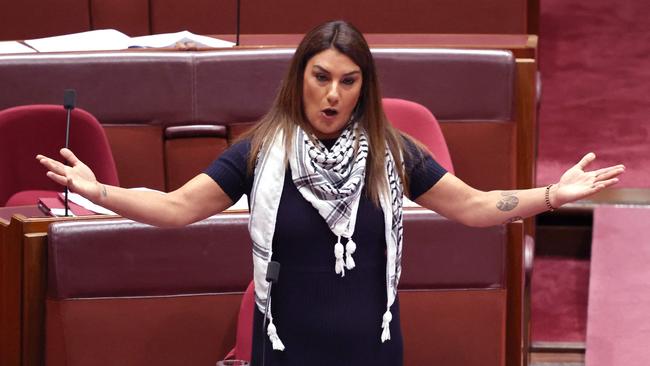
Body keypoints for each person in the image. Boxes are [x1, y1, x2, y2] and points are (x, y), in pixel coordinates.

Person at [37, 20, 625, 366]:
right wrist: (101, 192)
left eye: (348, 81)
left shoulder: (394, 154)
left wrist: (552, 193)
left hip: (371, 349)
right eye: (321, 78)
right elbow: (175, 209)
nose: (333, 95)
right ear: (300, 79)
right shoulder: (259, 152)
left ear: (364, 87)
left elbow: (472, 207)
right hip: (286, 352)